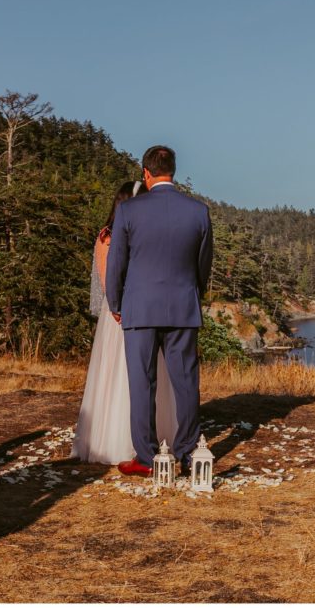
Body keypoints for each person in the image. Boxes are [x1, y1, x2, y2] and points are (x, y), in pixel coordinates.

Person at [105, 145, 213, 477]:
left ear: (146, 173)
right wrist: (194, 294)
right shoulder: (198, 211)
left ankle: (147, 458)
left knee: (143, 384)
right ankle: (188, 452)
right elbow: (203, 264)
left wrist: (115, 302)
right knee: (186, 383)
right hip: (183, 307)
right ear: (173, 171)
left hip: (139, 308)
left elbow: (117, 262)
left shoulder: (128, 212)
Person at [71, 181, 178, 464]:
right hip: (123, 312)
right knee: (133, 375)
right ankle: (125, 440)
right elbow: (108, 279)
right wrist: (119, 307)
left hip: (132, 310)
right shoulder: (109, 237)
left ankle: (144, 438)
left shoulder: (122, 234)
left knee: (141, 375)